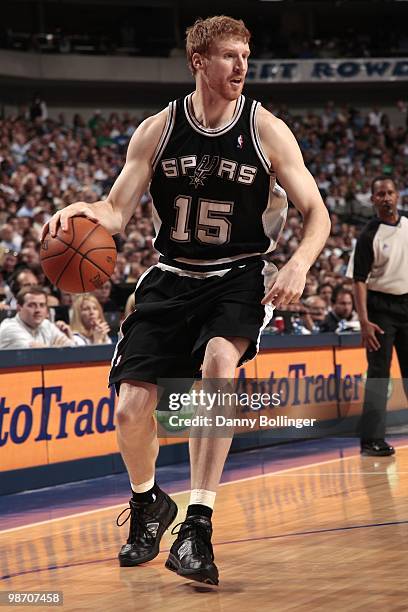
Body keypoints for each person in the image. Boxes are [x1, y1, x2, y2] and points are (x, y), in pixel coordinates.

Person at [44, 16, 330, 585]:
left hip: (238, 274)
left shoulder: (266, 129)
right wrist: (85, 211)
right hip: (171, 275)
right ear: (198, 61)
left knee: (219, 363)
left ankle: (198, 523)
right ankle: (150, 503)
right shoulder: (157, 129)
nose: (241, 66)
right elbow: (117, 211)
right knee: (129, 410)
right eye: (229, 55)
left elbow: (317, 213)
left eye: (246, 55)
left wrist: (298, 264)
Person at [347, 177, 408, 457]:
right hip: (380, 310)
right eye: (380, 194)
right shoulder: (368, 235)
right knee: (379, 376)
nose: (386, 198)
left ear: (398, 196)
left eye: (390, 193)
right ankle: (371, 440)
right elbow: (358, 281)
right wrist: (363, 321)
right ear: (373, 199)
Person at [0, 286, 74, 349]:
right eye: (32, 305)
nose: (38, 310)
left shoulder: (46, 325)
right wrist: (58, 347)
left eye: (42, 305)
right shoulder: (9, 328)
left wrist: (70, 339)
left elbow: (71, 349)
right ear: (19, 308)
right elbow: (36, 353)